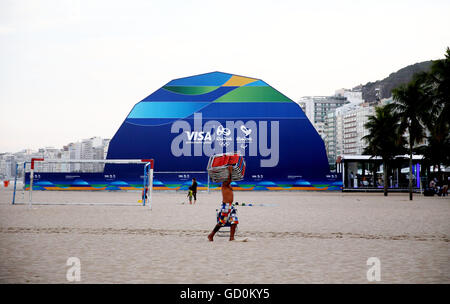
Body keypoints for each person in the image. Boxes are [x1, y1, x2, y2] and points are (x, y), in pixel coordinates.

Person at [208, 166, 238, 241]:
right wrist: (230, 171)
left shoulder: (228, 184)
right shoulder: (224, 183)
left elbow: (230, 180)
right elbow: (229, 179)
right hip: (226, 206)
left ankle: (231, 237)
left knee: (234, 221)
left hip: (231, 206)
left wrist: (231, 171)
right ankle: (211, 235)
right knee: (222, 222)